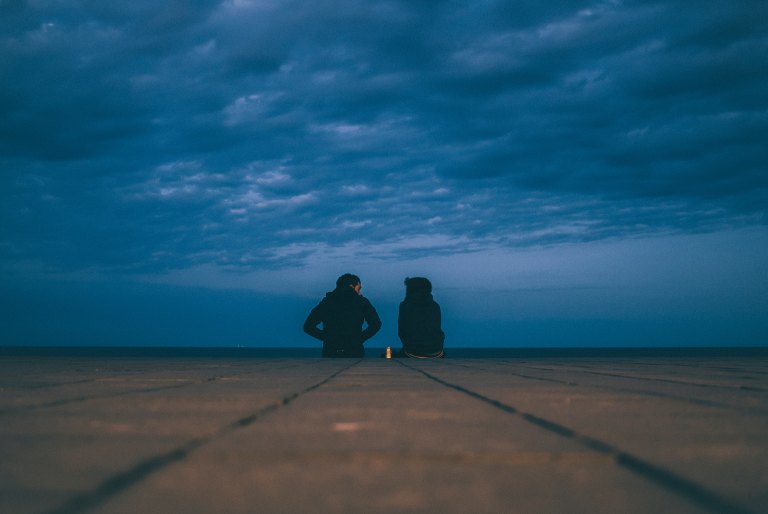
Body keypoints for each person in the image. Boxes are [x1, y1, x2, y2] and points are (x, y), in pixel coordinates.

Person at [303, 273, 382, 358]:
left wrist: (327, 338)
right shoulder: (361, 302)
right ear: (351, 286)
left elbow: (308, 326)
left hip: (331, 352)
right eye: (359, 289)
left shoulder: (327, 302)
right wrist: (359, 339)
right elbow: (376, 324)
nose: (360, 293)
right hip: (354, 351)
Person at [396, 277, 445, 358]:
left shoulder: (405, 306)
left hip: (413, 351)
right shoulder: (435, 306)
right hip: (437, 350)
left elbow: (402, 331)